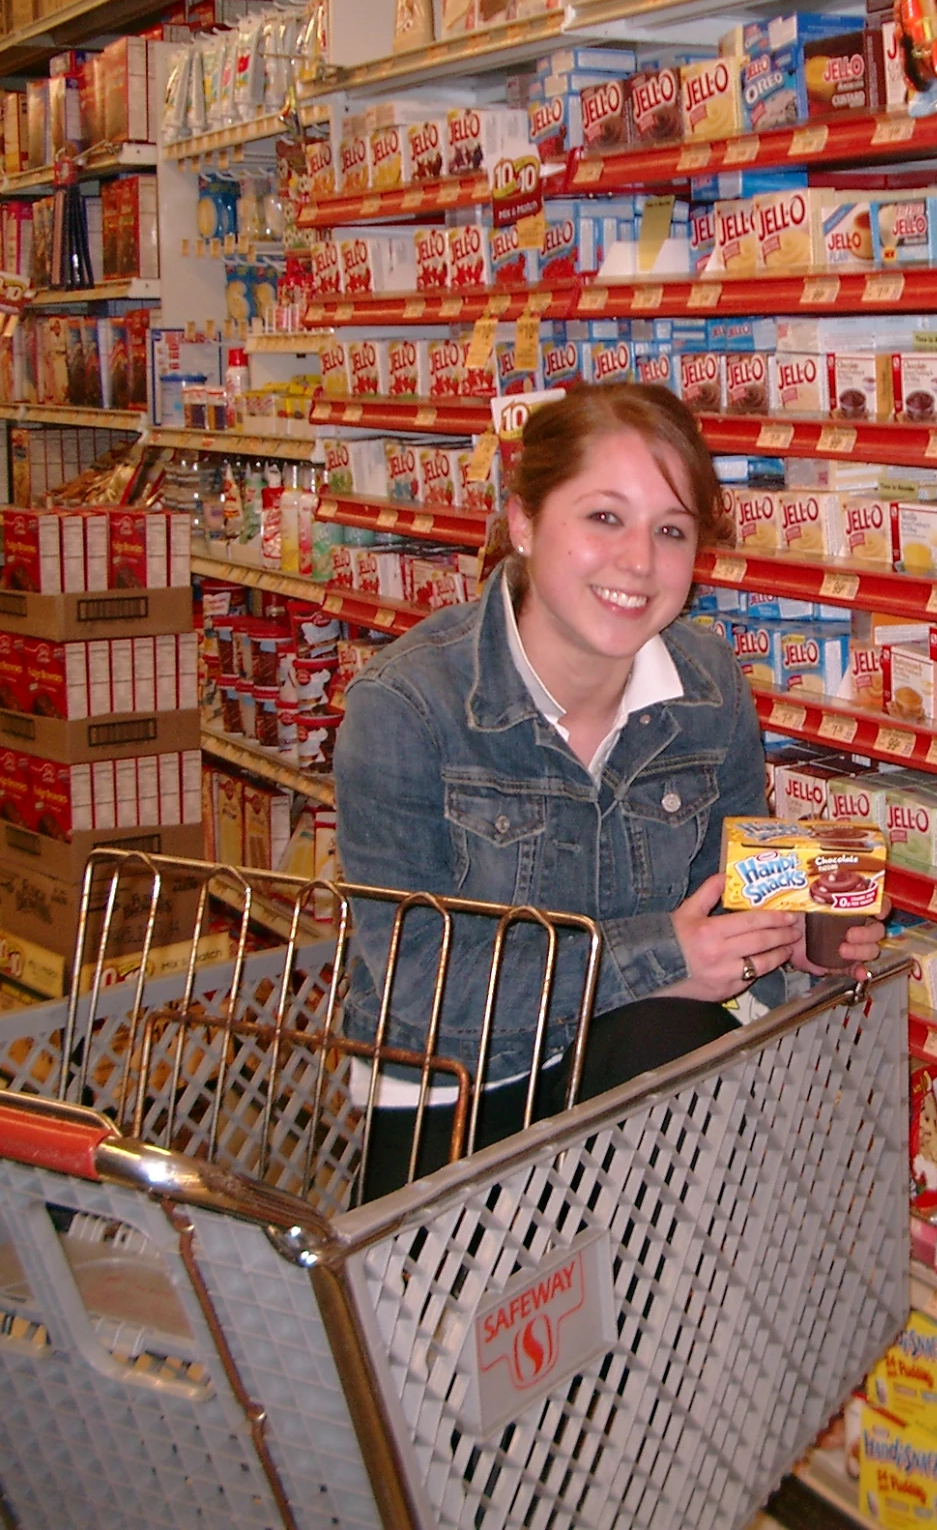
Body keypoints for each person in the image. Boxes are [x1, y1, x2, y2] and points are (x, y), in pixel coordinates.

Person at [335, 384, 885, 1196]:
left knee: (671, 1038)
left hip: (635, 1117)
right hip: (457, 1105)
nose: (638, 561)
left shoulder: (707, 687)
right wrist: (661, 954)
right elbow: (416, 993)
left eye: (670, 530)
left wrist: (785, 939)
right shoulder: (407, 706)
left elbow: (726, 892)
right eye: (603, 517)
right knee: (665, 1029)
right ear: (522, 520)